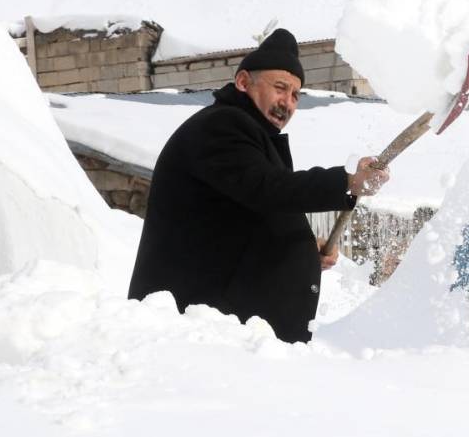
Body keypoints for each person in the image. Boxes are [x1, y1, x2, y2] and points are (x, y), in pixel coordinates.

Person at [127, 28, 388, 343]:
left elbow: (243, 215)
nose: (288, 103)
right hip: (198, 332)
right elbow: (268, 190)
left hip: (224, 331)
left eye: (295, 95)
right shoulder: (220, 126)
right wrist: (348, 181)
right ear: (243, 82)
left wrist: (303, 250)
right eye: (280, 88)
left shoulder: (252, 139)